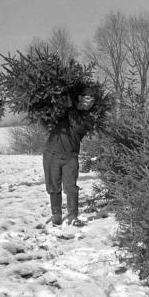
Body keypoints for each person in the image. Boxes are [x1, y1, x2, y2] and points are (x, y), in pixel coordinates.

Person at [43, 88, 96, 227]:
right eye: (87, 99)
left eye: (92, 100)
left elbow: (77, 126)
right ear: (80, 97)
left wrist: (71, 106)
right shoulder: (64, 110)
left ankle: (73, 216)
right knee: (53, 185)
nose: (89, 103)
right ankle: (56, 214)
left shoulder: (89, 118)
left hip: (70, 156)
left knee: (71, 186)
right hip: (52, 153)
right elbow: (51, 113)